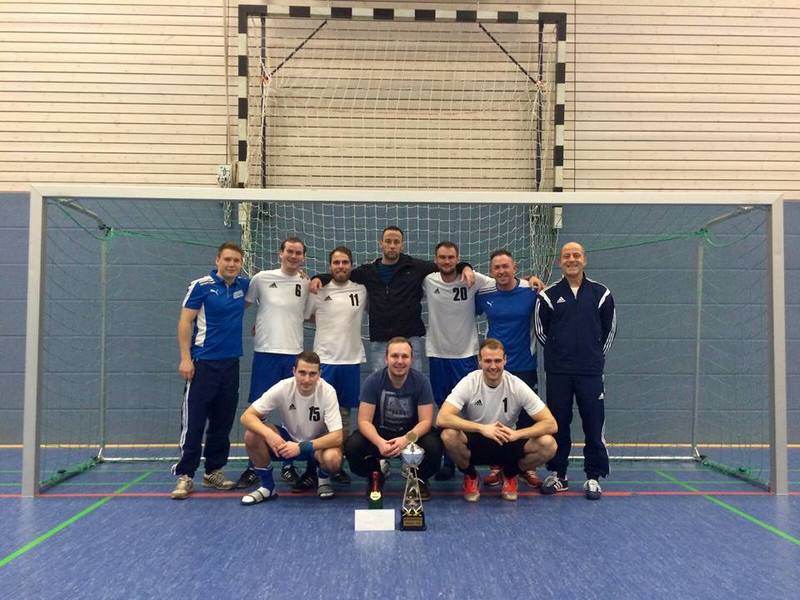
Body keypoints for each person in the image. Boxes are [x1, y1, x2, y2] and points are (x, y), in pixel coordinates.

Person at [311, 226, 473, 373]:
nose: (392, 245)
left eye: (396, 242)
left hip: (410, 340)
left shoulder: (415, 267)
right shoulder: (368, 272)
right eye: (388, 241)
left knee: (413, 386)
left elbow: (445, 265)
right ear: (381, 244)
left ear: (402, 245)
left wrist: (465, 267)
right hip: (380, 341)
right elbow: (343, 273)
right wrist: (319, 278)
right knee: (381, 387)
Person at [534, 241, 616, 500]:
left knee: (593, 423)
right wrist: (560, 355)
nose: (571, 259)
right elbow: (541, 331)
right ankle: (558, 474)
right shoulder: (547, 296)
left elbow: (609, 330)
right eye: (566, 256)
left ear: (584, 260)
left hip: (591, 372)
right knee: (558, 423)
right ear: (560, 262)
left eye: (576, 255)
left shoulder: (601, 294)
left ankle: (593, 476)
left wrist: (594, 357)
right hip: (558, 372)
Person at [171, 242, 249, 500]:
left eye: (236, 260)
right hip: (203, 364)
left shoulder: (243, 285)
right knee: (194, 421)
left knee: (222, 422)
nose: (232, 264)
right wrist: (186, 359)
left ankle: (213, 471)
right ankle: (185, 475)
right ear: (217, 260)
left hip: (231, 364)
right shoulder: (201, 286)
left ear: (241, 263)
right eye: (227, 259)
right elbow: (185, 321)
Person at [436, 339, 557, 502]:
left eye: (498, 361)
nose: (493, 366)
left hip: (506, 440)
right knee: (448, 435)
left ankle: (509, 474)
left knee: (549, 444)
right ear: (479, 361)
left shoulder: (516, 385)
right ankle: (471, 476)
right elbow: (442, 417)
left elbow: (551, 423)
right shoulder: (469, 382)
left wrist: (518, 434)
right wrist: (481, 428)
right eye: (488, 361)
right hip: (476, 442)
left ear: (505, 360)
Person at [237, 236, 309, 489]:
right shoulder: (261, 279)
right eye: (289, 251)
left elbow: (308, 314)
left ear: (303, 257)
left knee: (293, 413)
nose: (293, 256)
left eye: (298, 253)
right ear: (280, 253)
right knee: (259, 411)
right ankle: (254, 466)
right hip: (266, 353)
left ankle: (289, 464)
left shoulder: (305, 282)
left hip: (294, 354)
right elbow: (241, 306)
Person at [423, 241, 492, 480]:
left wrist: (530, 281)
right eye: (442, 257)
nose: (447, 261)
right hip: (438, 354)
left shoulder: (472, 279)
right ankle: (448, 460)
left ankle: (471, 458)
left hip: (465, 355)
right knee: (444, 408)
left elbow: (503, 282)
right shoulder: (428, 280)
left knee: (470, 407)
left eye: (451, 257)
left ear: (458, 258)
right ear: (435, 260)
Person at [344, 337, 443, 501]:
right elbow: (363, 421)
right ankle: (375, 475)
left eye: (405, 356)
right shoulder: (373, 381)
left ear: (412, 359)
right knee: (352, 446)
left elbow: (425, 422)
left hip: (411, 436)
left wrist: (406, 440)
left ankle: (419, 479)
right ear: (386, 358)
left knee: (435, 446)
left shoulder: (421, 382)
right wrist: (379, 442)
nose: (400, 361)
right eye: (395, 356)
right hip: (381, 435)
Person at [475, 249, 542, 489]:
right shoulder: (484, 293)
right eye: (497, 267)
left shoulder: (531, 291)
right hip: (494, 366)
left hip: (524, 363)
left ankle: (525, 468)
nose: (502, 271)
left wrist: (534, 280)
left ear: (515, 268)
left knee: (526, 416)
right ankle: (497, 465)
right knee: (496, 415)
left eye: (506, 266)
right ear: (491, 271)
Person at [239, 351, 344, 504]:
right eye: (302, 373)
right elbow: (246, 417)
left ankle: (323, 478)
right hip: (287, 443)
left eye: (312, 374)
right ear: (294, 371)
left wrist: (302, 447)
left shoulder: (328, 391)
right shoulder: (283, 387)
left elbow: (337, 437)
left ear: (319, 374)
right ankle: (267, 487)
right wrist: (269, 434)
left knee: (333, 459)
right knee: (252, 434)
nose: (307, 379)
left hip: (316, 446)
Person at [304, 246, 367, 484]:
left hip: (350, 361)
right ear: (330, 266)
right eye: (336, 262)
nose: (341, 266)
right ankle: (313, 468)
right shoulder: (318, 289)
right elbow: (306, 316)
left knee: (344, 417)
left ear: (351, 265)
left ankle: (336, 464)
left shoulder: (361, 289)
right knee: (319, 416)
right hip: (325, 361)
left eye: (345, 262)